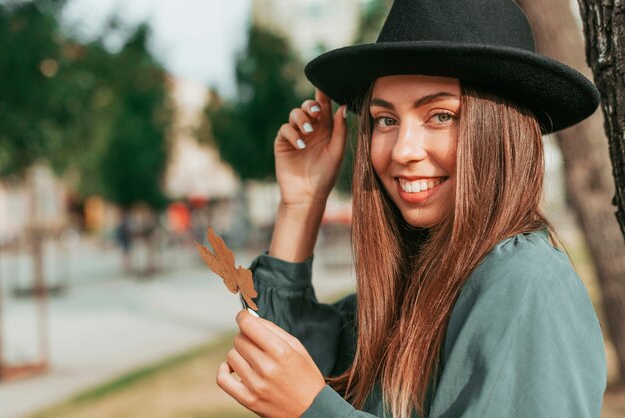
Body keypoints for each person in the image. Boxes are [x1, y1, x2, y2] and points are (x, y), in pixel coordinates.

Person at [216, 0, 607, 416]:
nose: (403, 150)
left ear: (500, 130)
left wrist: (313, 410)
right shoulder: (417, 279)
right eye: (386, 120)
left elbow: (303, 394)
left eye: (440, 115)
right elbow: (281, 364)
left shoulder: (526, 283)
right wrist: (301, 201)